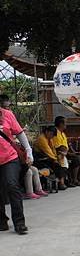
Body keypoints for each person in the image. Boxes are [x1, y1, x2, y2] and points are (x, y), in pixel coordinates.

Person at [0, 94, 33, 235]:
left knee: (12, 186)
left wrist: (29, 151)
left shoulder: (7, 114)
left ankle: (19, 223)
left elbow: (20, 133)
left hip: (9, 158)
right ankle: (2, 221)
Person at [53, 116, 80, 185]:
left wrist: (73, 151)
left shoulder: (62, 133)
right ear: (61, 124)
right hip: (60, 154)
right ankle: (75, 180)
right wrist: (70, 154)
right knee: (76, 158)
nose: (66, 125)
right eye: (65, 123)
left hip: (66, 152)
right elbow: (59, 148)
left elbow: (67, 145)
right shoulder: (56, 133)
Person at [34, 126, 67, 190]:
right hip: (39, 158)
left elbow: (53, 149)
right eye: (51, 134)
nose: (51, 137)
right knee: (56, 165)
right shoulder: (41, 138)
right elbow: (48, 150)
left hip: (46, 157)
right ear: (46, 132)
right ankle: (61, 183)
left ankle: (61, 182)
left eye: (52, 135)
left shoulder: (49, 139)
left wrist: (56, 157)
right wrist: (55, 159)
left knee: (59, 164)